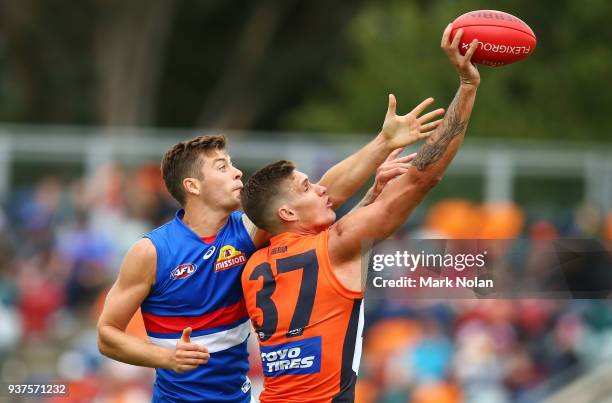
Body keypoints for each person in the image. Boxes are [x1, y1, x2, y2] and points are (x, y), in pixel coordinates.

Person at [96, 93, 444, 399]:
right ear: (193, 186)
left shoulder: (247, 232)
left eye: (231, 163)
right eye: (222, 167)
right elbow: (107, 334)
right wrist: (166, 358)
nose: (236, 172)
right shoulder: (152, 251)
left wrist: (383, 143)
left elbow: (322, 193)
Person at [240, 25, 480, 402]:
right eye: (307, 187)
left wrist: (372, 194)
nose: (321, 188)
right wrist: (467, 88)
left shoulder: (251, 264)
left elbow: (316, 271)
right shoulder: (336, 244)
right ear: (286, 212)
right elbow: (421, 179)